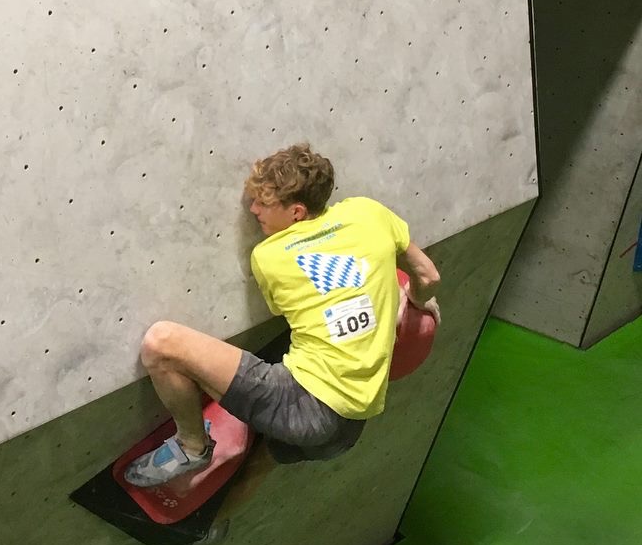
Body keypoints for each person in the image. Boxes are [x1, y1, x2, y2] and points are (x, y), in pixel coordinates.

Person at [124, 143, 440, 488]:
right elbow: (427, 277)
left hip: (301, 406)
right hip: (352, 424)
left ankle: (192, 446)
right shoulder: (369, 213)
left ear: (297, 212)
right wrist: (409, 296)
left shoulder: (271, 255)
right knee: (264, 460)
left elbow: (288, 307)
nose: (254, 208)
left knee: (161, 344)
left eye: (265, 203)